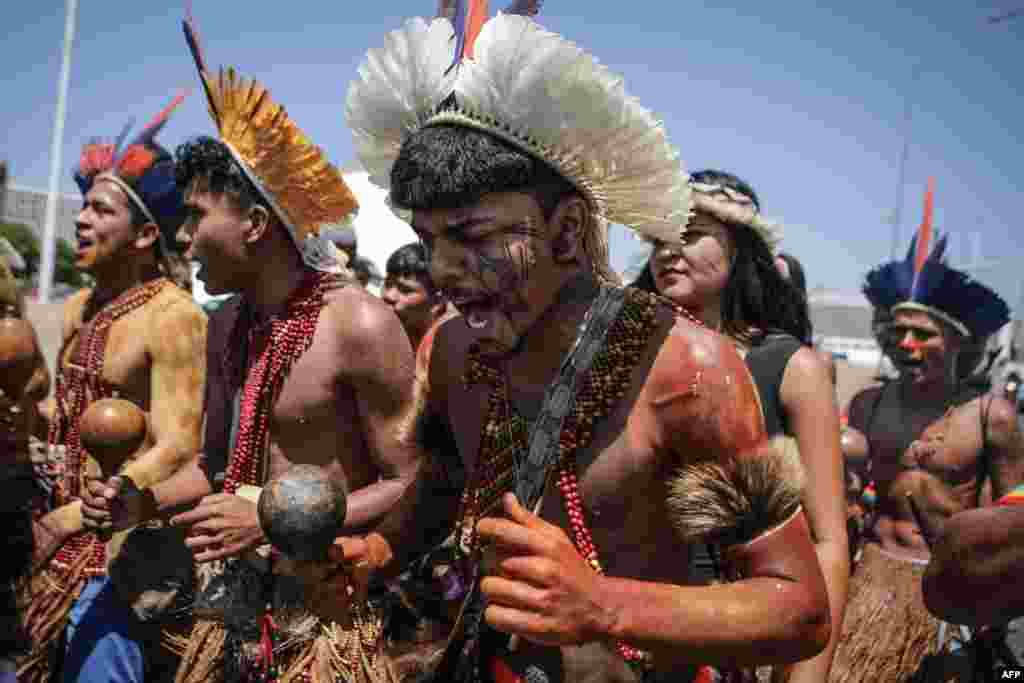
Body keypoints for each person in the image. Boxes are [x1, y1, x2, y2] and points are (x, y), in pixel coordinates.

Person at [292, 10, 831, 683]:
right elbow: (443, 484)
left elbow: (801, 607)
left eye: (472, 235)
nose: (443, 272)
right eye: (430, 242)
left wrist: (605, 606)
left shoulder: (687, 373)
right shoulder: (457, 352)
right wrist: (378, 548)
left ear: (568, 231)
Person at [93, 18, 421, 681]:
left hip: (330, 620)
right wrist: (140, 500)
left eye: (195, 216)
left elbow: (411, 479)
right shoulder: (226, 326)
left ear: (255, 223)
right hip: (236, 614)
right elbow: (215, 467)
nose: (182, 237)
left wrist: (274, 523)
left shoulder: (358, 323)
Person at [18, 95, 208, 683]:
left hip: (123, 555)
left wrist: (75, 517)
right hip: (54, 535)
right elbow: (64, 415)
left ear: (148, 233)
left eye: (101, 210)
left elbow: (179, 446)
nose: (81, 219)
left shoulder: (175, 315)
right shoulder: (79, 305)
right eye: (84, 206)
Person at [632, 171, 848, 683]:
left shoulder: (792, 368)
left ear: (740, 250)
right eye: (659, 236)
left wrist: (805, 677)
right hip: (622, 632)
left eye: (690, 233)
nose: (668, 249)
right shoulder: (624, 359)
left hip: (732, 642)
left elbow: (826, 542)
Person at [834, 231, 1023, 682]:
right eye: (897, 331)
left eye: (923, 333)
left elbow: (1014, 519)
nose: (906, 343)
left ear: (957, 342)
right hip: (870, 582)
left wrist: (989, 608)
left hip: (945, 595)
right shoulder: (867, 405)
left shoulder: (990, 417)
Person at [382, 242, 451, 351]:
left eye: (405, 290)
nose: (388, 296)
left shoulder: (451, 353)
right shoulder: (375, 340)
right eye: (387, 284)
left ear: (438, 301)